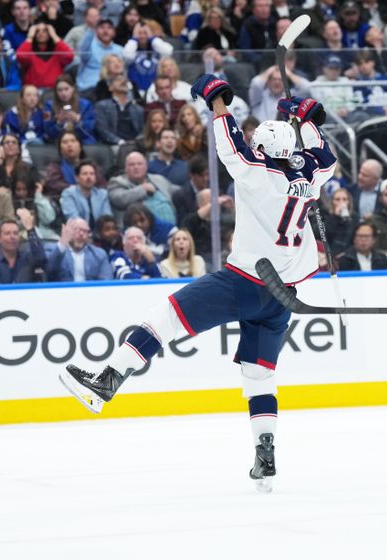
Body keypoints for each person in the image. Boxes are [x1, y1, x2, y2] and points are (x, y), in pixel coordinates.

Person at [59, 75, 337, 494]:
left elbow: (229, 144)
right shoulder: (313, 173)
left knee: (164, 317)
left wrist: (218, 98)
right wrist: (305, 119)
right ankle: (266, 451)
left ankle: (108, 381)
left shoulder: (256, 172)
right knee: (259, 375)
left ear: (264, 148)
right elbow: (324, 153)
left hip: (245, 281)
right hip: (283, 295)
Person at [108, 151, 179, 226]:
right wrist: (143, 189)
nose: (136, 167)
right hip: (137, 232)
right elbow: (120, 199)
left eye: (139, 164)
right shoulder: (116, 182)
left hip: (172, 230)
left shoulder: (159, 179)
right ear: (126, 168)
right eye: (132, 164)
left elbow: (178, 191)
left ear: (146, 166)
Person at [46, 217, 114, 281]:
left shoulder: (99, 254)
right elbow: (49, 270)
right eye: (77, 230)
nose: (81, 234)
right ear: (67, 231)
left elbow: (106, 280)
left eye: (85, 231)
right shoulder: (52, 249)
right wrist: (62, 244)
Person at [0, 208, 46, 284]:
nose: (12, 237)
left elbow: (41, 258)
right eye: (7, 233)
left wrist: (30, 229)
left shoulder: (27, 257)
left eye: (15, 233)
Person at [16, 22, 74, 89]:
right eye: (37, 31)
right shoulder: (29, 50)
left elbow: (69, 56)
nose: (41, 33)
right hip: (33, 92)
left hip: (55, 91)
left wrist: (54, 35)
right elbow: (20, 56)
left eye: (45, 31)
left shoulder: (58, 50)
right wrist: (30, 37)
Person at [94, 74, 146, 145]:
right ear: (110, 87)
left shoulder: (138, 109)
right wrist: (120, 142)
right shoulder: (102, 106)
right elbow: (102, 129)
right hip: (111, 146)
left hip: (134, 145)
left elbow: (143, 131)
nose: (123, 81)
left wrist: (136, 142)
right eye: (118, 80)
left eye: (125, 80)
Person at [44, 74, 97, 145]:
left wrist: (78, 121)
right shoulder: (49, 105)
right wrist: (59, 123)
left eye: (66, 89)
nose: (63, 93)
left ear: (73, 88)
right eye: (60, 90)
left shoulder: (86, 105)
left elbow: (90, 130)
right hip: (58, 140)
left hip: (81, 139)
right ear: (56, 92)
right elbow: (48, 133)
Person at [76, 17, 123, 94]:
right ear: (96, 31)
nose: (105, 31)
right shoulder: (89, 46)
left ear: (114, 32)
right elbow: (83, 50)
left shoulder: (120, 50)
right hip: (89, 88)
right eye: (102, 27)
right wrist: (91, 29)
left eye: (109, 28)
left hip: (112, 88)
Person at [59, 160, 112, 228]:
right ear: (77, 178)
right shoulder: (69, 194)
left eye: (92, 174)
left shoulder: (102, 194)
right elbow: (73, 219)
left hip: (100, 234)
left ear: (95, 178)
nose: (89, 177)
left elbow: (107, 218)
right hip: (78, 233)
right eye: (85, 174)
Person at [322, 187, 359, 255]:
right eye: (337, 199)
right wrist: (335, 217)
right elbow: (324, 235)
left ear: (349, 202)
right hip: (328, 254)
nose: (341, 202)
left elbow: (355, 239)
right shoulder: (325, 215)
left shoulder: (354, 217)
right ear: (332, 201)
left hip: (348, 254)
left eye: (344, 199)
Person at [0, 26, 21, 93]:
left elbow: (16, 84)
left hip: (6, 95)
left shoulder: (10, 62)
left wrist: (6, 90)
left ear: (2, 45)